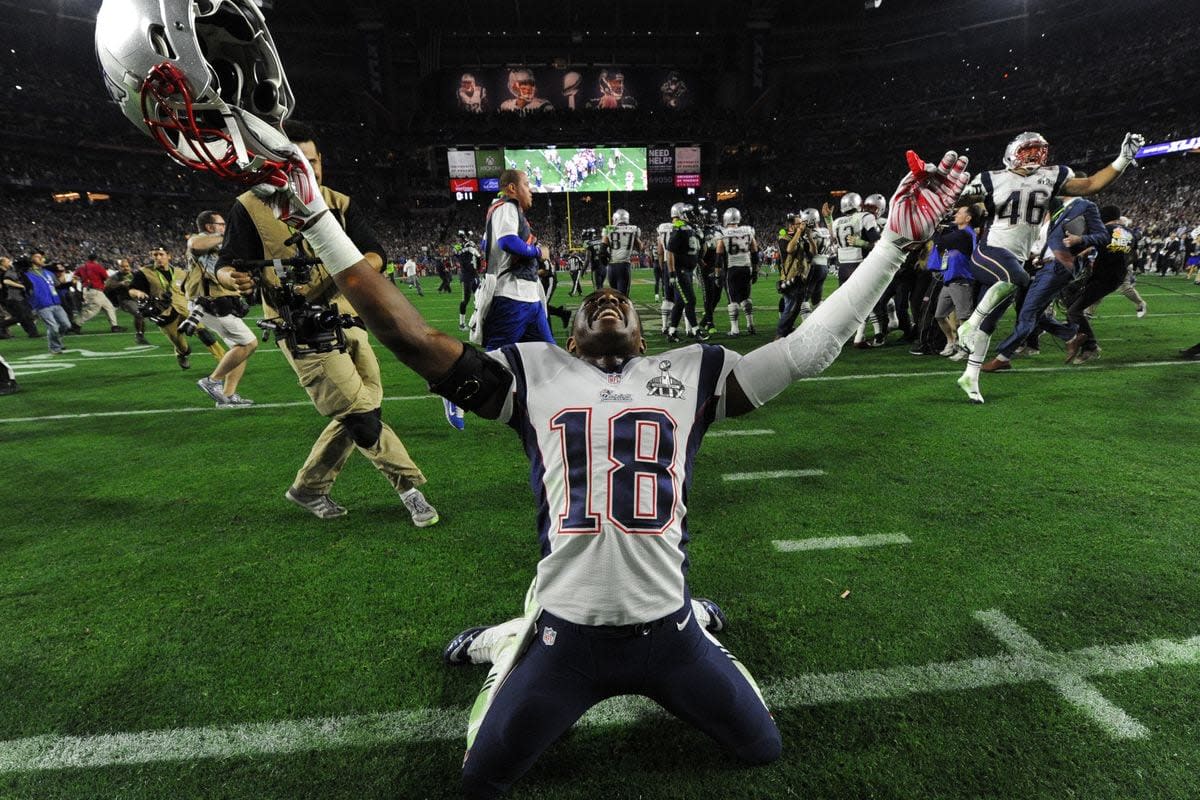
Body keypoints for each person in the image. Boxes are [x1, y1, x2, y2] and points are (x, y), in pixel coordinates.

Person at [246, 138, 969, 799]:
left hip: (670, 634)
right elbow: (408, 334)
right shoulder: (533, 374)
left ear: (645, 332)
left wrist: (895, 245)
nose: (607, 298)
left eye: (619, 300)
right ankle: (510, 641)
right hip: (567, 636)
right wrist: (316, 219)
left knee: (762, 748)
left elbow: (811, 346)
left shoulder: (695, 372)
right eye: (591, 303)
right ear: (569, 334)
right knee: (480, 778)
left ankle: (696, 622)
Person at [219, 122, 439, 526]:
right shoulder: (248, 207)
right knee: (359, 411)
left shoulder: (338, 202)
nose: (306, 168)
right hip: (300, 326)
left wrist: (353, 270)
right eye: (294, 161)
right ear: (273, 165)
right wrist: (231, 277)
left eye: (311, 160)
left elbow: (376, 253)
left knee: (361, 407)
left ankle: (308, 489)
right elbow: (227, 265)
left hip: (351, 318)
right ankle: (410, 489)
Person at [952, 130, 1144, 403]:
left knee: (991, 321)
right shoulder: (990, 178)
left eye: (1038, 151)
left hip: (1016, 259)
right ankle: (967, 326)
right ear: (1012, 152)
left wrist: (1123, 159)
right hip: (990, 252)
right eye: (1027, 151)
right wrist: (959, 192)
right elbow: (959, 201)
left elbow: (1091, 185)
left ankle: (970, 377)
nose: (1033, 157)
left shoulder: (1053, 176)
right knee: (1017, 280)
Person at [980, 196, 1109, 376]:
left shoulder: (1084, 206)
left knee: (1027, 313)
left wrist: (1080, 240)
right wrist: (1040, 257)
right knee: (1034, 313)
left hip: (1059, 266)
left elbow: (1103, 236)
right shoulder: (1057, 209)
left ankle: (1003, 357)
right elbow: (1050, 241)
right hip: (1046, 265)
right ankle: (1071, 335)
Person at [188, 210, 260, 407]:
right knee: (249, 344)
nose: (225, 227)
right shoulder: (201, 239)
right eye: (221, 224)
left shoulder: (217, 242)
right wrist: (223, 236)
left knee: (239, 349)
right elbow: (194, 245)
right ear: (210, 227)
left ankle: (227, 396)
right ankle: (212, 382)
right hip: (209, 303)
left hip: (218, 302)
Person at [477, 169, 554, 350]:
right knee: (497, 360)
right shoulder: (507, 207)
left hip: (528, 298)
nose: (530, 190)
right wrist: (537, 252)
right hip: (512, 296)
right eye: (526, 185)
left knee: (548, 355)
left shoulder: (505, 210)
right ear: (512, 188)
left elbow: (484, 244)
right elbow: (508, 242)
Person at [129, 246, 226, 371]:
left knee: (203, 333)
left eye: (161, 254)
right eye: (155, 255)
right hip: (165, 314)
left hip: (185, 308)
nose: (158, 257)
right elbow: (132, 290)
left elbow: (191, 289)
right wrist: (139, 294)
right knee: (182, 347)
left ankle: (223, 359)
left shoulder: (181, 273)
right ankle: (181, 354)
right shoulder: (144, 273)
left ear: (169, 256)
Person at [1062, 206, 1137, 365]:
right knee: (1070, 293)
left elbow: (1083, 244)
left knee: (1073, 310)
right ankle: (1076, 328)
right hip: (1115, 277)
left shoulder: (1103, 230)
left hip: (1102, 278)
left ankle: (1090, 346)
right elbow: (1131, 255)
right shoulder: (1130, 233)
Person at [827, 193, 883, 347]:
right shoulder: (865, 217)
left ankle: (843, 334)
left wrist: (828, 219)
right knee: (867, 300)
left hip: (842, 267)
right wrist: (863, 243)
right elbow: (878, 243)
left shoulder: (837, 221)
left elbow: (832, 240)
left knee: (848, 303)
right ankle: (860, 336)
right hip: (859, 264)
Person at [931, 204, 982, 358]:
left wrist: (935, 228)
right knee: (940, 315)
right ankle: (951, 342)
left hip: (961, 280)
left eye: (959, 213)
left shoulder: (964, 235)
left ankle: (965, 348)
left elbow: (939, 241)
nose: (955, 216)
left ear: (968, 218)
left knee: (964, 317)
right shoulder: (960, 233)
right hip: (950, 279)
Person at [665, 203, 706, 343]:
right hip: (680, 270)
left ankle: (672, 332)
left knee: (680, 303)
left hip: (689, 270)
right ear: (684, 214)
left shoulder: (691, 228)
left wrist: (699, 260)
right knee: (690, 300)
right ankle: (696, 331)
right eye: (692, 214)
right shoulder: (679, 228)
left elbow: (698, 248)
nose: (695, 217)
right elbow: (670, 251)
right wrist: (671, 272)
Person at [715, 207, 759, 337]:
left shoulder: (723, 234)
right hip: (746, 267)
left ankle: (735, 329)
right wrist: (756, 271)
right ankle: (750, 324)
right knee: (746, 297)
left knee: (732, 299)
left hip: (732, 268)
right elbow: (755, 253)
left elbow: (718, 258)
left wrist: (717, 275)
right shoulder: (748, 232)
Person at [19, 250, 72, 354]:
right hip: (41, 304)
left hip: (55, 302)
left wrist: (69, 283)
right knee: (53, 327)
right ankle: (55, 347)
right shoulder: (25, 274)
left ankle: (57, 341)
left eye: (42, 257)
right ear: (31, 259)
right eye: (38, 257)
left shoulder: (48, 273)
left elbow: (58, 286)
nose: (42, 259)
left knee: (66, 325)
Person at [104, 258, 150, 345]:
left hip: (137, 299)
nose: (125, 268)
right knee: (139, 314)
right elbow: (107, 285)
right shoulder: (116, 276)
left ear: (130, 266)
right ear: (119, 267)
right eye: (123, 266)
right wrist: (120, 283)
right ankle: (139, 335)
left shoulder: (134, 274)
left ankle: (141, 335)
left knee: (142, 316)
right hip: (125, 300)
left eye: (127, 266)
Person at [74, 253, 125, 333]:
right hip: (95, 290)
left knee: (109, 307)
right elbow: (106, 278)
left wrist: (78, 286)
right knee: (93, 310)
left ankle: (115, 326)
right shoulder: (97, 266)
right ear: (96, 260)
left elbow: (75, 277)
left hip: (89, 290)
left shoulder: (82, 267)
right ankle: (76, 324)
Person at [601, 209, 642, 296]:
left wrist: (606, 259)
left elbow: (602, 251)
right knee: (623, 297)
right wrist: (636, 237)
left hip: (611, 267)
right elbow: (640, 248)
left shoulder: (609, 229)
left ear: (615, 219)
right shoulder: (633, 229)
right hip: (624, 266)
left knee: (614, 296)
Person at [2, 255, 40, 339]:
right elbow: (6, 281)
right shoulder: (11, 271)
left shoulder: (18, 272)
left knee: (25, 316)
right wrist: (21, 286)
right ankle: (2, 325)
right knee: (22, 316)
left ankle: (33, 333)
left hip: (19, 297)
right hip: (14, 297)